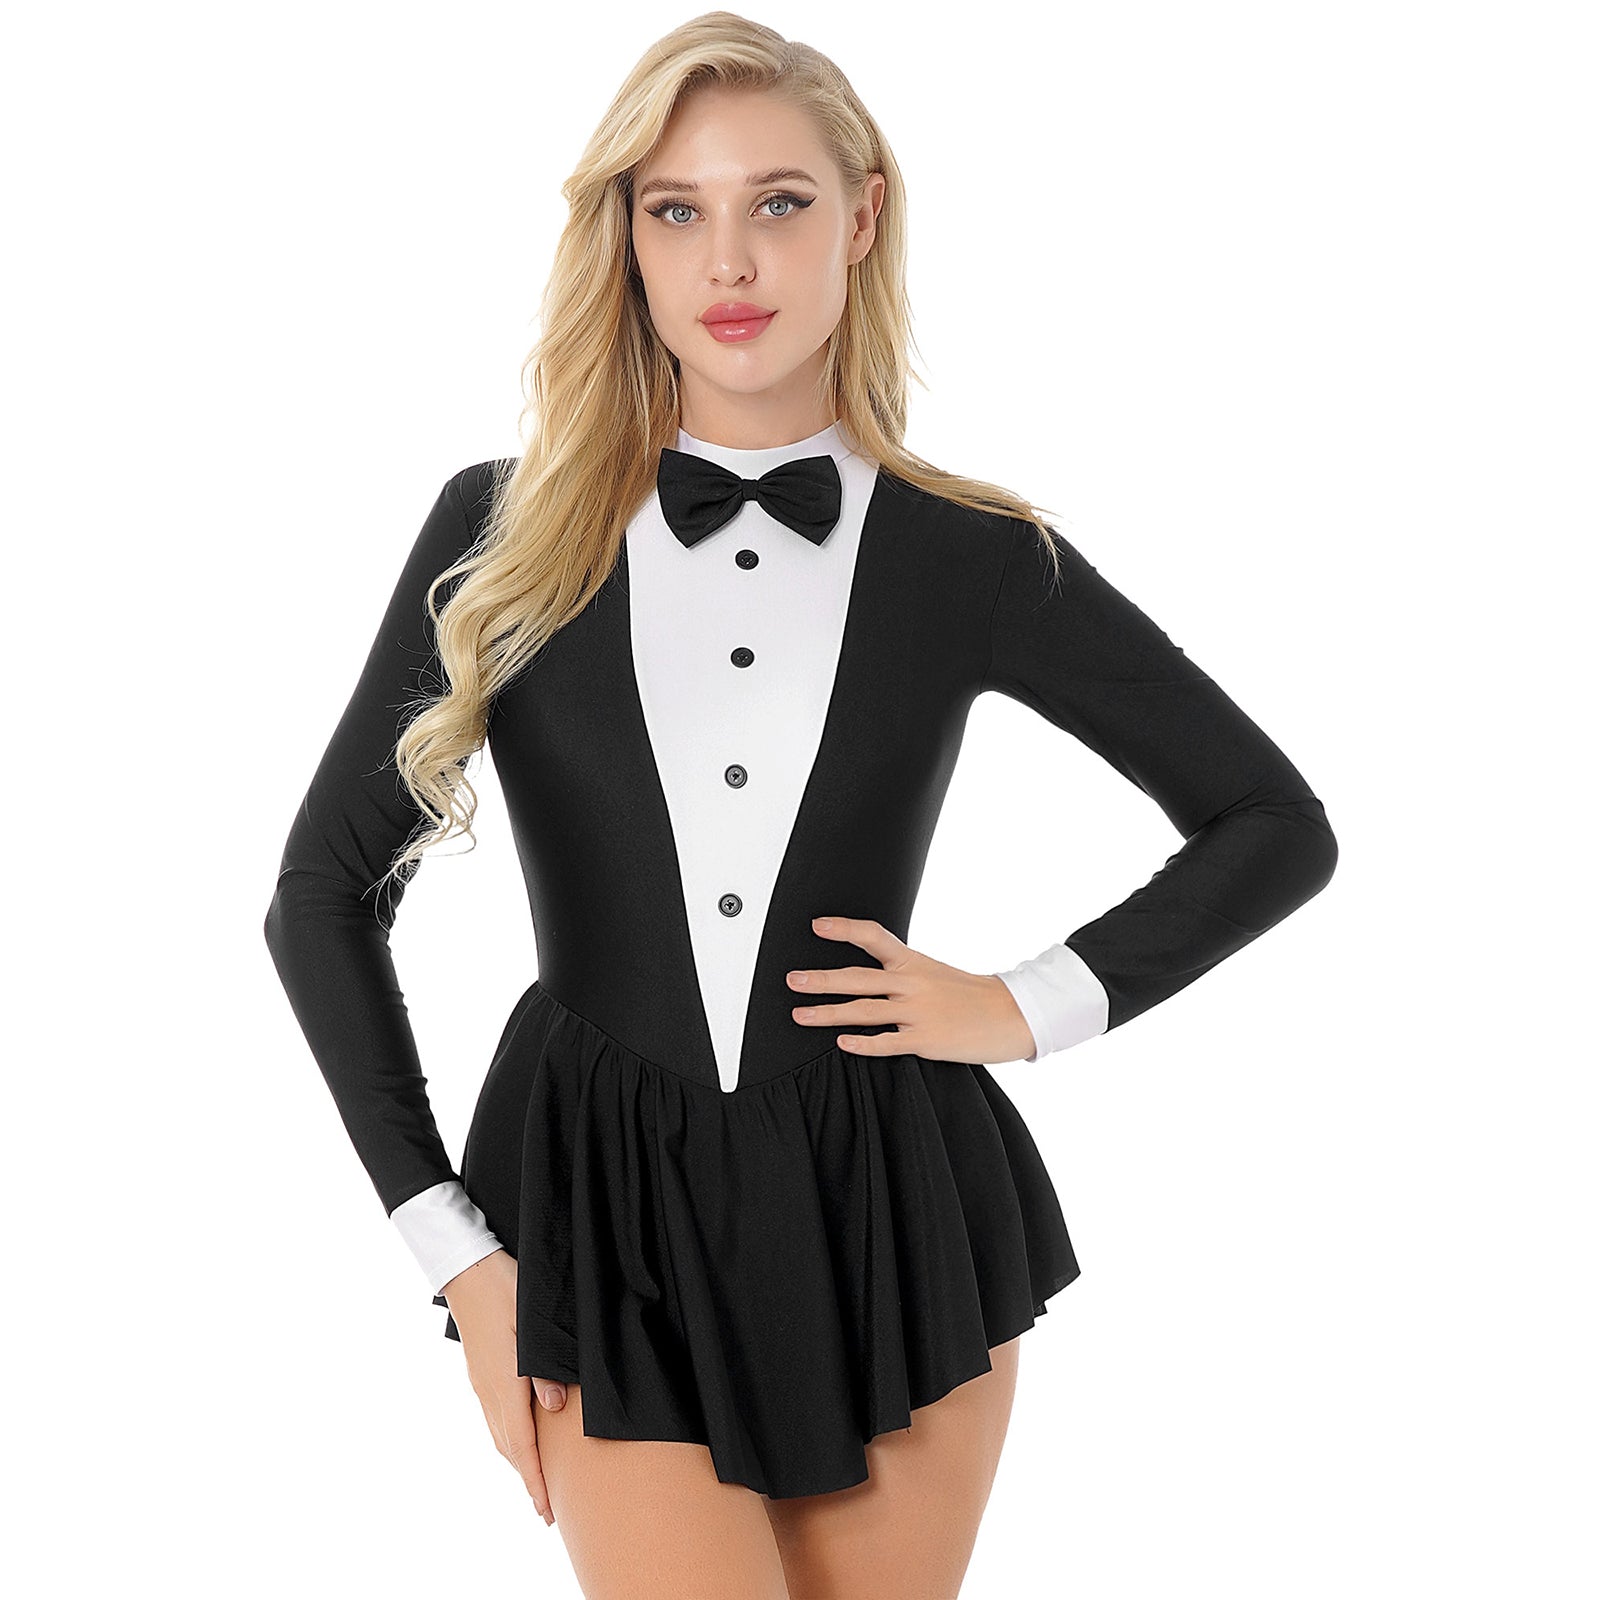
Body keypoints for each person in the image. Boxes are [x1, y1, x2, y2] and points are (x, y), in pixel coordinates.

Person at [262, 12, 1338, 1598]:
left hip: (894, 1201)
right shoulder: (502, 531)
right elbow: (321, 898)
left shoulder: (973, 556)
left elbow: (1272, 822)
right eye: (674, 209)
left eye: (778, 200)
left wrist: (1021, 1005)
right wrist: (462, 1262)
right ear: (626, 238)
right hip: (597, 1204)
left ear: (861, 215)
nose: (729, 259)